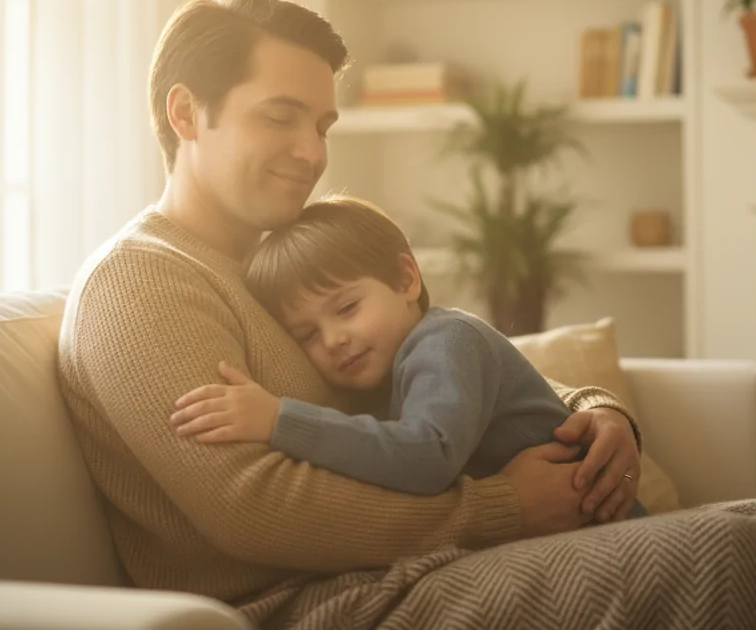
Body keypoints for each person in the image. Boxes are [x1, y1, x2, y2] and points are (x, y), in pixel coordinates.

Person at [59, 0, 756, 628]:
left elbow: (445, 371)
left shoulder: (283, 263)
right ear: (183, 113)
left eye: (322, 123)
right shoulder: (141, 286)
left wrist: (597, 415)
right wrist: (504, 509)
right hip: (325, 606)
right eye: (281, 117)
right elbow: (255, 510)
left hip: (411, 571)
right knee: (737, 552)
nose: (313, 152)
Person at [169, 195, 648, 517]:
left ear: (406, 280)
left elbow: (427, 456)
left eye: (347, 307)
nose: (334, 339)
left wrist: (279, 420)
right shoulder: (385, 371)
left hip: (606, 524)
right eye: (308, 334)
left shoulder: (445, 341)